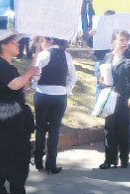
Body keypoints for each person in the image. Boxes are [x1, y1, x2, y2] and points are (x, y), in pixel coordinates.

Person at [0, 29, 39, 194]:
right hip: (8, 126)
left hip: (8, 124)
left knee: (2, 163)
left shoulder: (5, 64)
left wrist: (28, 78)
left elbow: (18, 87)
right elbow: (14, 84)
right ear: (3, 45)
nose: (18, 44)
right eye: (14, 42)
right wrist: (29, 73)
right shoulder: (0, 64)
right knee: (11, 162)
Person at [33, 37, 77, 174]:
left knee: (40, 128)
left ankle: (38, 161)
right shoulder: (67, 55)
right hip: (59, 97)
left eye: (43, 41)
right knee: (54, 130)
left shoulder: (43, 55)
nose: (41, 44)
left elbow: (36, 76)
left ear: (50, 41)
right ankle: (51, 165)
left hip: (43, 95)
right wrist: (66, 90)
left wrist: (36, 87)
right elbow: (73, 77)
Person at [99, 30, 130, 169]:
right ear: (113, 42)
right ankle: (109, 160)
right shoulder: (107, 57)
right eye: (121, 40)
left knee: (123, 129)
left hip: (125, 98)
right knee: (109, 129)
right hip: (111, 97)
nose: (124, 43)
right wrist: (101, 81)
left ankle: (124, 158)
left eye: (126, 40)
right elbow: (103, 76)